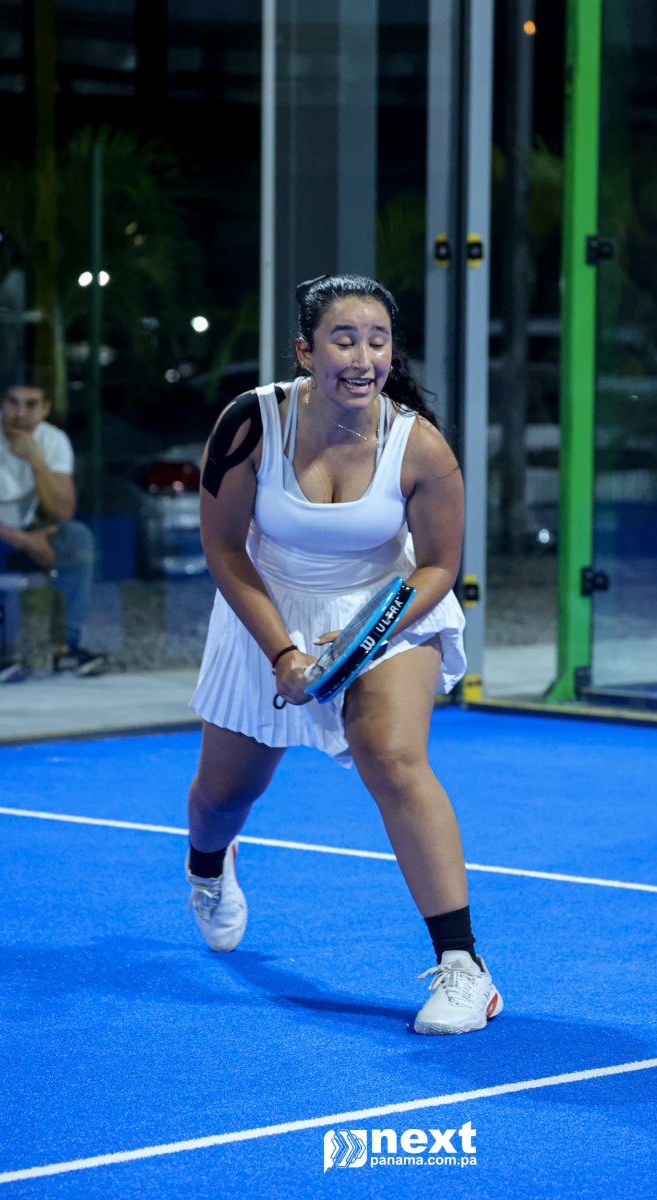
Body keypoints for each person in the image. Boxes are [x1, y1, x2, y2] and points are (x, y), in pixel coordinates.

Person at [186, 273, 502, 1035]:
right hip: (266, 605)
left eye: (378, 341)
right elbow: (223, 547)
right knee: (222, 797)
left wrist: (367, 632)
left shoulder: (420, 446)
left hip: (388, 610)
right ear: (306, 351)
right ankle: (208, 868)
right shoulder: (250, 422)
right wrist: (283, 654)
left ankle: (465, 968)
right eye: (344, 340)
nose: (363, 358)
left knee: (392, 758)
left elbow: (438, 566)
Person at [0, 370, 107, 682]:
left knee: (77, 538)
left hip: (33, 528)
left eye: (31, 404)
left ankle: (65, 648)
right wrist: (23, 540)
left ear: (45, 408)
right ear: (1, 404)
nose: (21, 413)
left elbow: (63, 509)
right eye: (13, 403)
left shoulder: (53, 440)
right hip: (8, 534)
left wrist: (35, 458)